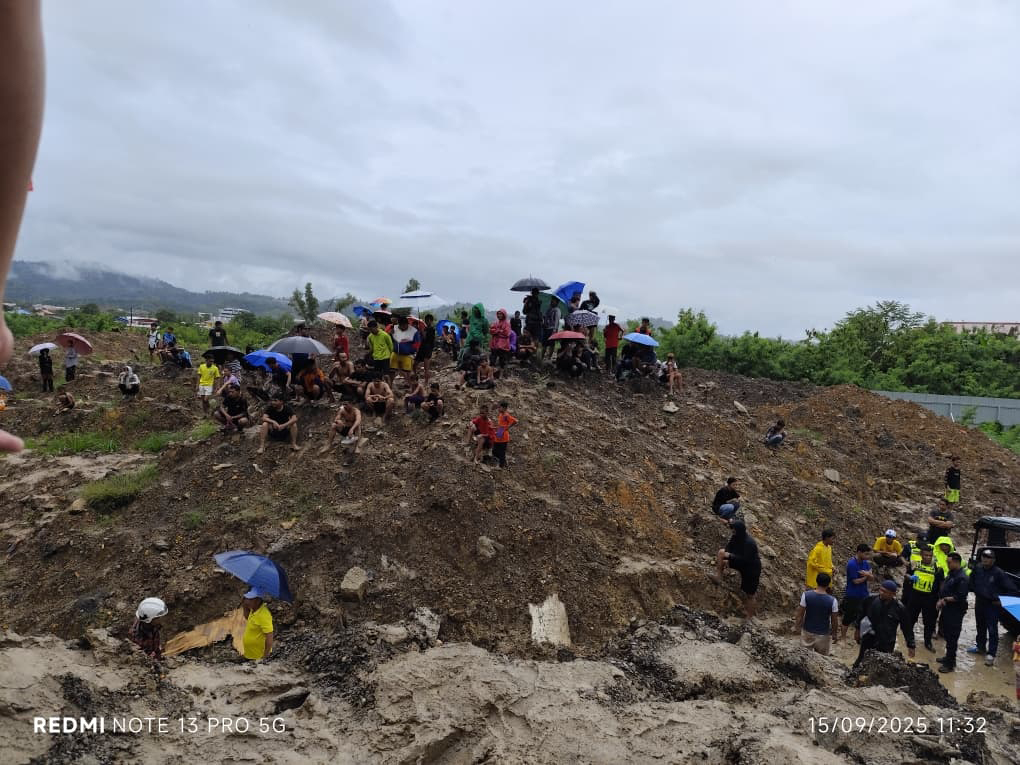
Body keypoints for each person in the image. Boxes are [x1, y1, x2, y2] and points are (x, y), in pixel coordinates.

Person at [967, 548, 1014, 666]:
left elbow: (1012, 589)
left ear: (993, 560)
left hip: (992, 605)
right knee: (980, 626)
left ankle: (991, 654)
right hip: (979, 602)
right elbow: (971, 580)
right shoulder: (978, 568)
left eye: (988, 557)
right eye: (984, 556)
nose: (985, 559)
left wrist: (1001, 601)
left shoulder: (999, 573)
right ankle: (980, 647)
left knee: (992, 629)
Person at [853, 580, 915, 667]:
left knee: (883, 664)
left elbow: (907, 628)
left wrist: (911, 645)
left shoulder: (900, 608)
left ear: (893, 594)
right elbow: (861, 615)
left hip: (887, 641)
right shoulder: (870, 600)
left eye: (885, 592)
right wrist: (857, 630)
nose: (881, 593)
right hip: (869, 637)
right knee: (861, 660)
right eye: (881, 590)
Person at [711, 519, 761, 619]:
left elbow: (746, 560)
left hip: (751, 569)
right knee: (721, 553)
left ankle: (749, 618)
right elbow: (728, 548)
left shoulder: (749, 543)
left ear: (740, 531)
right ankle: (718, 577)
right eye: (732, 530)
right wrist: (728, 555)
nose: (733, 532)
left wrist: (730, 556)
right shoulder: (735, 537)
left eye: (734, 530)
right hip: (739, 561)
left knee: (750, 595)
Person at [935, 553, 969, 672]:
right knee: (947, 635)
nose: (947, 564)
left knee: (952, 636)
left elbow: (960, 597)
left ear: (956, 562)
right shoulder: (952, 573)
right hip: (947, 609)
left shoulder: (962, 578)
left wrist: (944, 600)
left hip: (956, 611)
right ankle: (948, 658)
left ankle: (950, 664)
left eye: (949, 562)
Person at [904, 544, 941, 652]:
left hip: (930, 597)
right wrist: (910, 577)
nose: (928, 557)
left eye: (930, 555)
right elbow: (906, 574)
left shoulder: (937, 568)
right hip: (915, 595)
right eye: (926, 555)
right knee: (911, 618)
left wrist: (940, 597)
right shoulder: (914, 564)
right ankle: (909, 639)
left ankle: (927, 642)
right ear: (921, 555)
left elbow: (941, 583)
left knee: (929, 621)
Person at [795, 572, 839, 655]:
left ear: (816, 581)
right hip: (823, 635)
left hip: (807, 632)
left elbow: (800, 614)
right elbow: (834, 620)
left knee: (804, 657)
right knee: (822, 659)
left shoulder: (806, 595)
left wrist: (797, 627)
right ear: (828, 584)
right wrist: (834, 634)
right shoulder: (833, 601)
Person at [841, 544, 874, 640]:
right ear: (859, 552)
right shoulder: (852, 564)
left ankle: (858, 637)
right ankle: (843, 637)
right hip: (853, 595)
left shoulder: (865, 563)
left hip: (864, 594)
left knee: (862, 617)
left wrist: (868, 575)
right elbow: (855, 581)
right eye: (866, 554)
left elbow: (872, 578)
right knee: (848, 617)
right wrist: (867, 575)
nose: (867, 556)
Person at [241, 588, 274, 661]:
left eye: (251, 599)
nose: (248, 601)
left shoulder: (264, 615)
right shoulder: (254, 609)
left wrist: (265, 657)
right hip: (250, 654)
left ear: (258, 600)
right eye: (247, 599)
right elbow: (247, 618)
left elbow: (269, 637)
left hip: (258, 657)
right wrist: (244, 606)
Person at [390, 315, 420, 387]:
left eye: (403, 326)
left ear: (406, 324)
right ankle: (390, 385)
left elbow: (417, 343)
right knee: (392, 370)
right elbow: (391, 338)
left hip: (407, 355)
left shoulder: (414, 331)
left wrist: (412, 352)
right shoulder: (395, 329)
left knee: (408, 371)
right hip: (395, 353)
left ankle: (411, 386)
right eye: (400, 325)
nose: (401, 327)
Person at [491, 400, 517, 468]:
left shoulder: (506, 415)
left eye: (500, 407)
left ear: (504, 408)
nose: (498, 409)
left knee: (501, 451)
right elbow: (501, 425)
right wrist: (494, 428)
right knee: (495, 450)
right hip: (499, 433)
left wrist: (508, 427)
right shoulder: (501, 415)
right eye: (498, 407)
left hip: (504, 436)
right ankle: (501, 463)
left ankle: (501, 466)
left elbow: (515, 421)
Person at [415, 314, 436, 385]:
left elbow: (425, 337)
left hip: (428, 349)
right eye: (426, 320)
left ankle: (426, 383)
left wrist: (421, 331)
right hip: (422, 348)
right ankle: (415, 379)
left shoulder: (432, 329)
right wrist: (419, 330)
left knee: (426, 368)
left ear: (431, 321)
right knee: (414, 365)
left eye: (428, 320)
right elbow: (421, 337)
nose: (426, 321)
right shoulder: (425, 328)